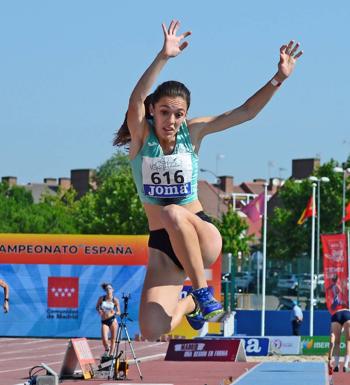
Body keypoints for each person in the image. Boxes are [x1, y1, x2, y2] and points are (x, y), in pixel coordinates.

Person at [114, 19, 303, 340]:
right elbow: (134, 100)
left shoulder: (194, 132)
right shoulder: (140, 139)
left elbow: (244, 112)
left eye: (178, 114)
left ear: (185, 115)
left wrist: (278, 79)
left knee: (173, 210)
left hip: (201, 235)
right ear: (152, 112)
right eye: (163, 113)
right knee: (151, 330)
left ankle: (202, 294)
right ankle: (190, 303)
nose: (170, 121)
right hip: (163, 246)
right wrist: (163, 57)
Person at [96, 283, 121, 357]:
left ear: (112, 290)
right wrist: (99, 310)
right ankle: (107, 348)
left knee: (113, 339)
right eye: (107, 289)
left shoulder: (115, 300)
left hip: (112, 320)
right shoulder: (101, 298)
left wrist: (115, 312)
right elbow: (97, 307)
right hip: (104, 321)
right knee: (104, 339)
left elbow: (119, 312)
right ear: (105, 290)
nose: (108, 290)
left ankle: (111, 354)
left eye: (110, 288)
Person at [328, 308, 350, 373]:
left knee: (337, 343)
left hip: (336, 315)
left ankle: (336, 366)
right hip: (347, 314)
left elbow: (331, 341)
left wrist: (329, 359)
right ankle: (345, 366)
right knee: (348, 342)